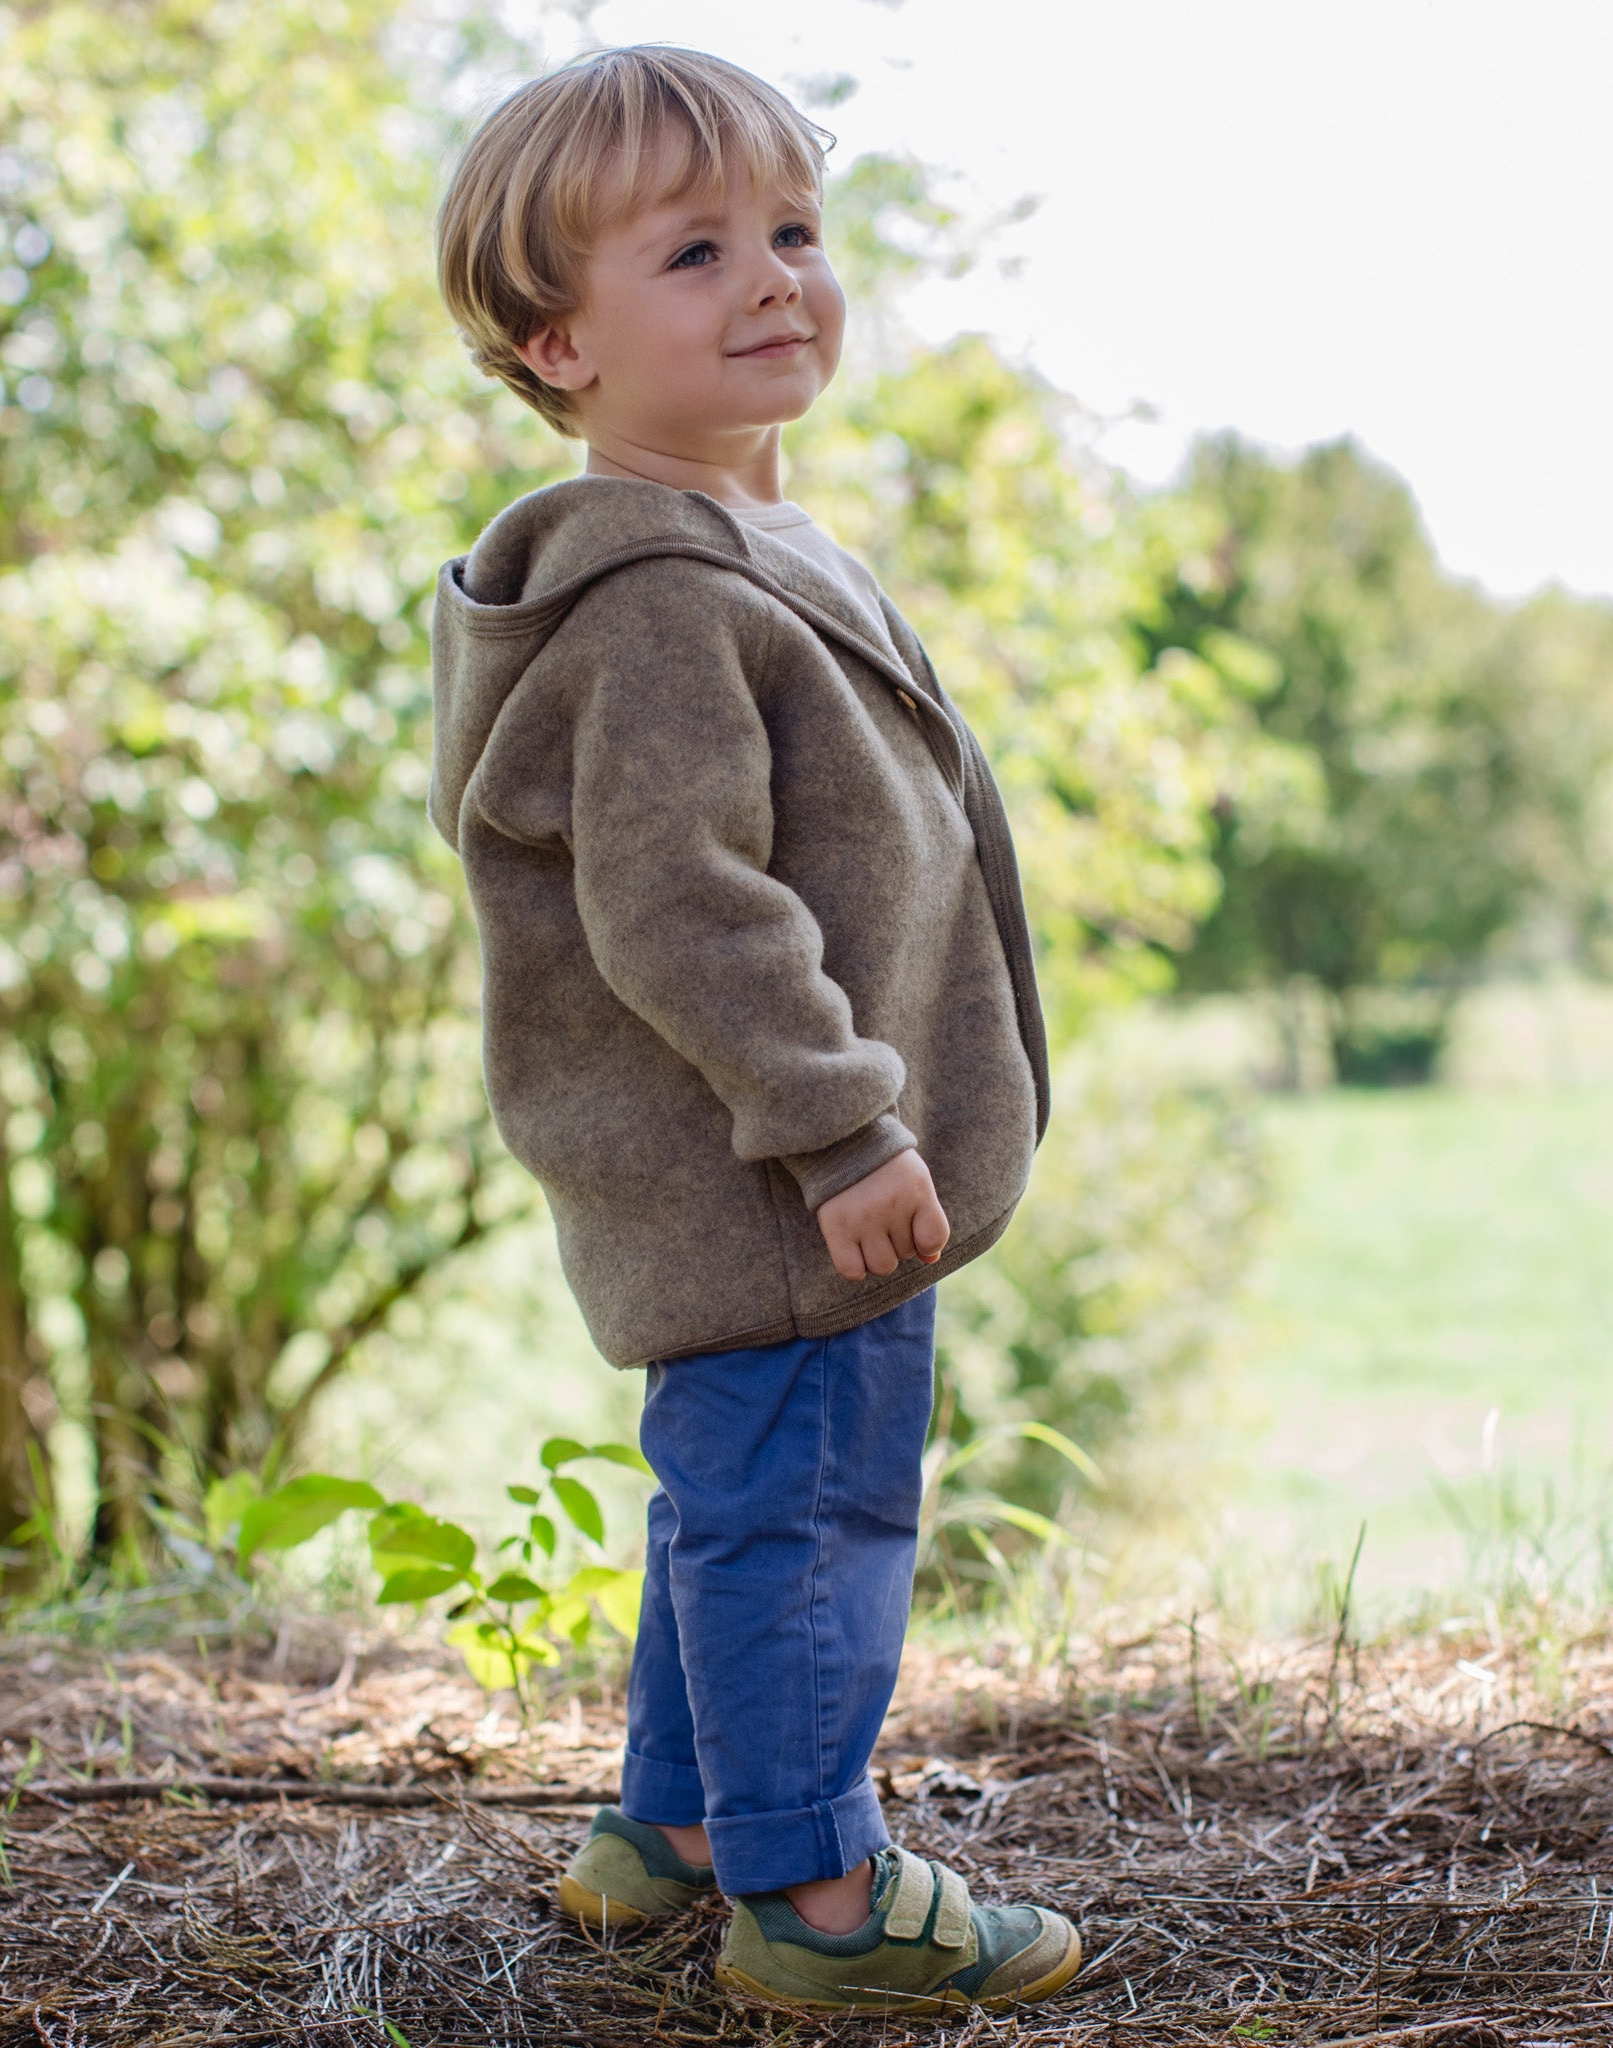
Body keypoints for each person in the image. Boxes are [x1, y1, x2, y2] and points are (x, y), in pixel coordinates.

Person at [427, 44, 1077, 2015]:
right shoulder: (645, 601)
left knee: (741, 1493)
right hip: (782, 1180)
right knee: (811, 1510)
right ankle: (811, 1898)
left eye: (792, 228)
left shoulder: (754, 553)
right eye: (695, 252)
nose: (775, 275)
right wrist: (842, 1128)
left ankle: (679, 1824)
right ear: (559, 345)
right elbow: (680, 906)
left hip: (794, 1171)